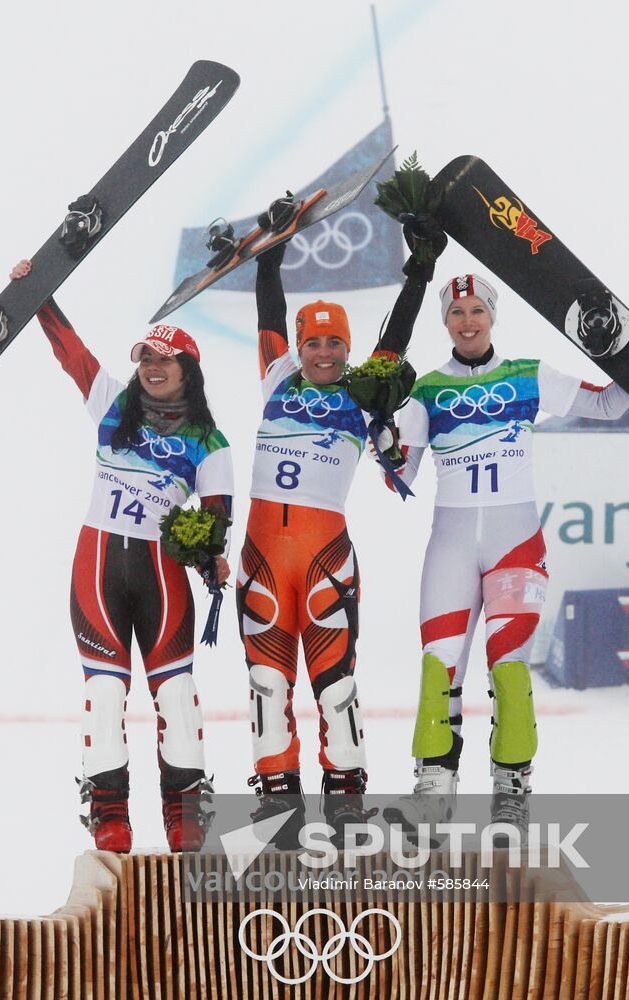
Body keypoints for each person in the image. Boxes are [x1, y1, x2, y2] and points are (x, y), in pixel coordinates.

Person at [384, 269, 629, 833]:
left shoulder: (527, 375)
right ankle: (433, 790)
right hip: (450, 542)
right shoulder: (424, 389)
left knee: (510, 667)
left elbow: (610, 405)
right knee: (437, 666)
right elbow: (402, 479)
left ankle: (511, 791)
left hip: (515, 542)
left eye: (476, 311)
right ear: (445, 321)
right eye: (456, 313)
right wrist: (386, 441)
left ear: (492, 316)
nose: (467, 322)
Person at [10, 259, 233, 853]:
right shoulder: (112, 402)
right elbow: (72, 355)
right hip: (99, 567)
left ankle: (185, 812)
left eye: (163, 360)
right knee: (105, 694)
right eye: (145, 359)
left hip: (162, 577)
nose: (152, 369)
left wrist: (212, 555)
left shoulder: (210, 443)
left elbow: (217, 523)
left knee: (177, 695)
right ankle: (108, 812)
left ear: (187, 369)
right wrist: (37, 294)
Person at [237, 235, 437, 836]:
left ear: (347, 350)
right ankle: (279, 806)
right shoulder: (278, 378)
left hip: (325, 558)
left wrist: (419, 275)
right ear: (300, 348)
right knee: (267, 686)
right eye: (314, 342)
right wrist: (269, 259)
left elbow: (395, 338)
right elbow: (269, 315)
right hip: (261, 556)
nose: (323, 353)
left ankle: (346, 806)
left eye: (334, 343)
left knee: (337, 686)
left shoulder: (362, 391)